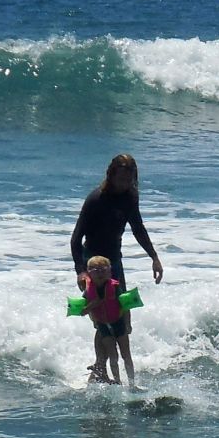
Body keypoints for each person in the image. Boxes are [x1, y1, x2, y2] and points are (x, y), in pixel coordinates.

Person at [70, 153, 163, 383]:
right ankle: (100, 368)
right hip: (94, 264)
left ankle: (115, 368)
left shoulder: (130, 196)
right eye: (121, 179)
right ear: (110, 175)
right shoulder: (96, 199)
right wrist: (81, 271)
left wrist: (154, 257)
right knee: (101, 319)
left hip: (114, 262)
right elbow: (76, 238)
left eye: (129, 180)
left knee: (119, 315)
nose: (124, 184)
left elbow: (138, 228)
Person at [81, 255, 135, 386]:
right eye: (96, 271)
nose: (100, 274)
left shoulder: (115, 287)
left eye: (103, 270)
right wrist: (89, 316)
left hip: (118, 323)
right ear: (89, 272)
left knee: (126, 354)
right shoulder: (88, 290)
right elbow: (85, 307)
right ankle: (117, 381)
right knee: (113, 355)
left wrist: (128, 323)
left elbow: (125, 306)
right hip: (103, 326)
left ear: (109, 271)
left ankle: (132, 383)